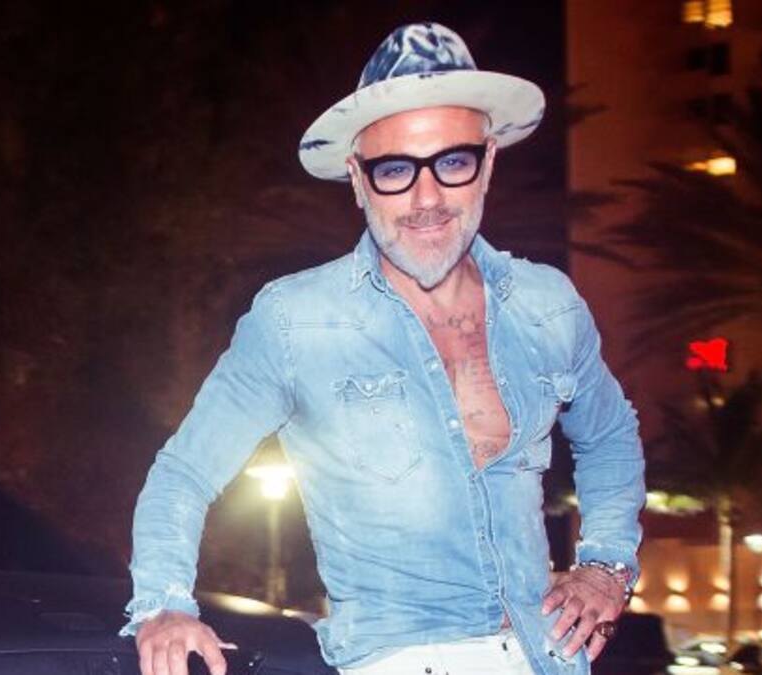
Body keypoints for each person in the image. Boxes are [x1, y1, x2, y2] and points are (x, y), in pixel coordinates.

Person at [121, 22, 645, 675]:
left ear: (488, 162)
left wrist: (607, 564)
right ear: (357, 178)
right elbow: (185, 472)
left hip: (551, 658)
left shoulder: (549, 304)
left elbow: (611, 433)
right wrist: (163, 606)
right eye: (394, 169)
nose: (427, 199)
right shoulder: (296, 320)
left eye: (452, 162)